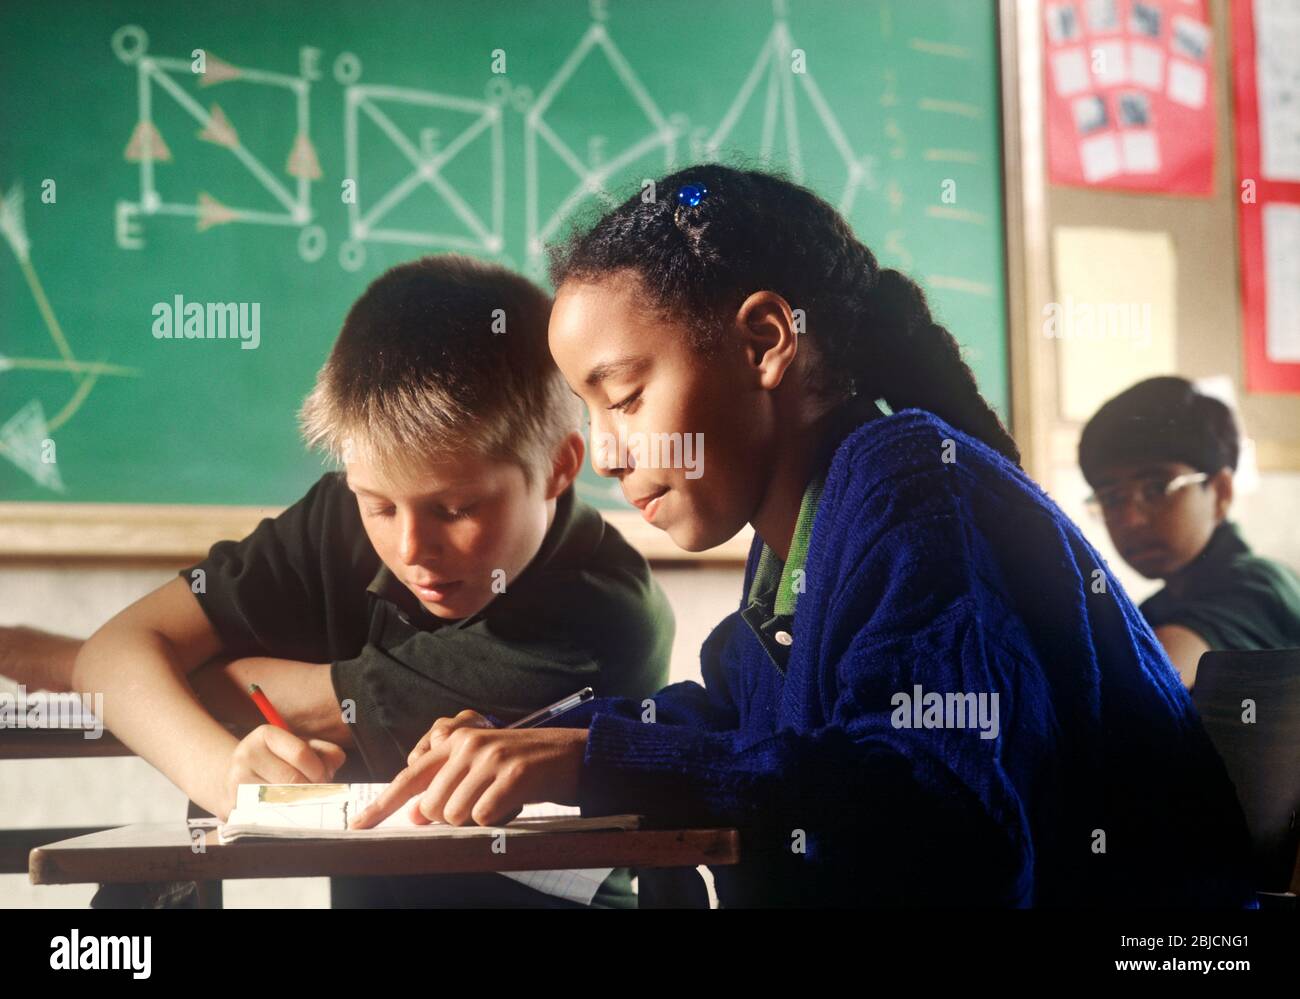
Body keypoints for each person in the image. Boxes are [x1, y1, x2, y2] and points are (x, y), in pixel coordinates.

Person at [354, 164, 1255, 908]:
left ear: (764, 341)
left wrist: (598, 757)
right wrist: (537, 742)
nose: (607, 456)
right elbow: (740, 720)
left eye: (625, 397)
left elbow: (942, 801)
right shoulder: (803, 531)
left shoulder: (910, 484)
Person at [70, 255, 673, 908]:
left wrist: (192, 673)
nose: (413, 550)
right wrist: (226, 779)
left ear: (559, 466)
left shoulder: (606, 612)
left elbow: (157, 667)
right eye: (380, 505)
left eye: (455, 509)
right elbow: (108, 657)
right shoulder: (342, 517)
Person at [1079, 376, 1300, 688]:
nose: (1130, 519)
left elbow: (1145, 682)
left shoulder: (1259, 586)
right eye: (1112, 498)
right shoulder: (1158, 606)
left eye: (1157, 488)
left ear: (1221, 493)